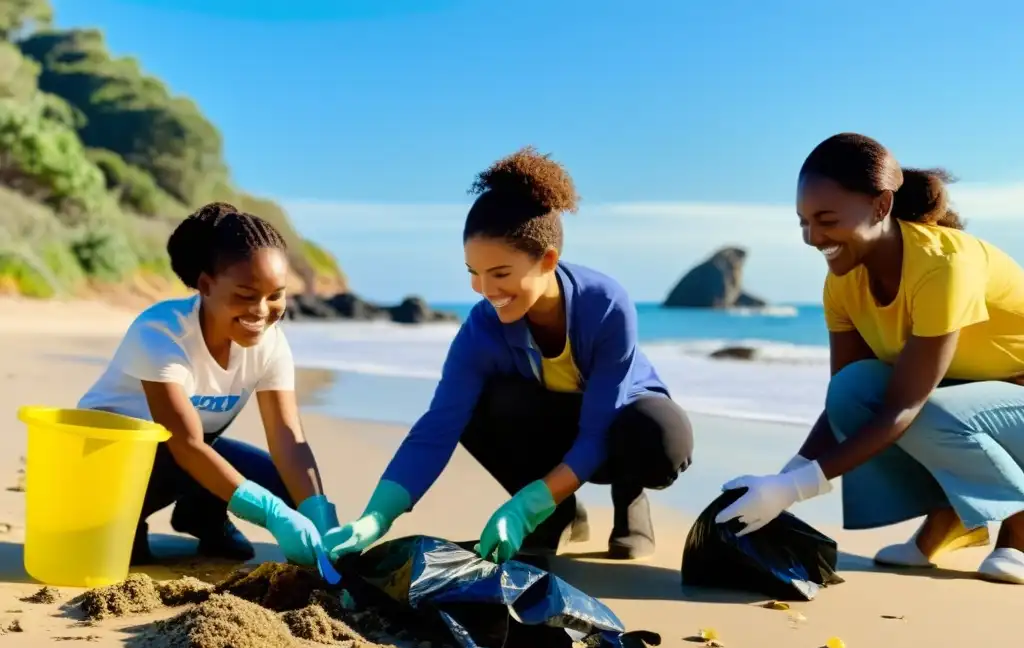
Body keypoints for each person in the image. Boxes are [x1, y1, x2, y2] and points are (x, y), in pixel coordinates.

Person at [322, 147, 693, 564]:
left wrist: (526, 504)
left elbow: (596, 429)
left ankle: (630, 500)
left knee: (657, 438)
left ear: (547, 261)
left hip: (621, 420)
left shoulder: (606, 304)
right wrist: (375, 518)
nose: (484, 290)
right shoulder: (481, 329)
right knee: (473, 407)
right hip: (555, 422)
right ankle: (558, 512)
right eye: (473, 273)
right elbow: (437, 428)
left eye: (499, 274)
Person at [714, 132, 1024, 585]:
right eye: (803, 222)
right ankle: (952, 519)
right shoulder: (843, 282)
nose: (812, 237)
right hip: (969, 399)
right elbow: (845, 397)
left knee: (921, 407)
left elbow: (905, 405)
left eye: (826, 219)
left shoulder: (941, 266)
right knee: (855, 390)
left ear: (881, 206)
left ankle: (1017, 530)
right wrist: (783, 479)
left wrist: (796, 490)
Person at [78, 202, 338, 571]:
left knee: (287, 486)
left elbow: (286, 435)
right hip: (108, 470)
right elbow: (184, 444)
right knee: (134, 548)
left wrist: (317, 513)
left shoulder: (270, 342)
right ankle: (122, 522)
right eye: (246, 295)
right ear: (206, 285)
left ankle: (201, 516)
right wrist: (271, 515)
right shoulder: (161, 332)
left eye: (275, 294)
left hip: (179, 458)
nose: (262, 311)